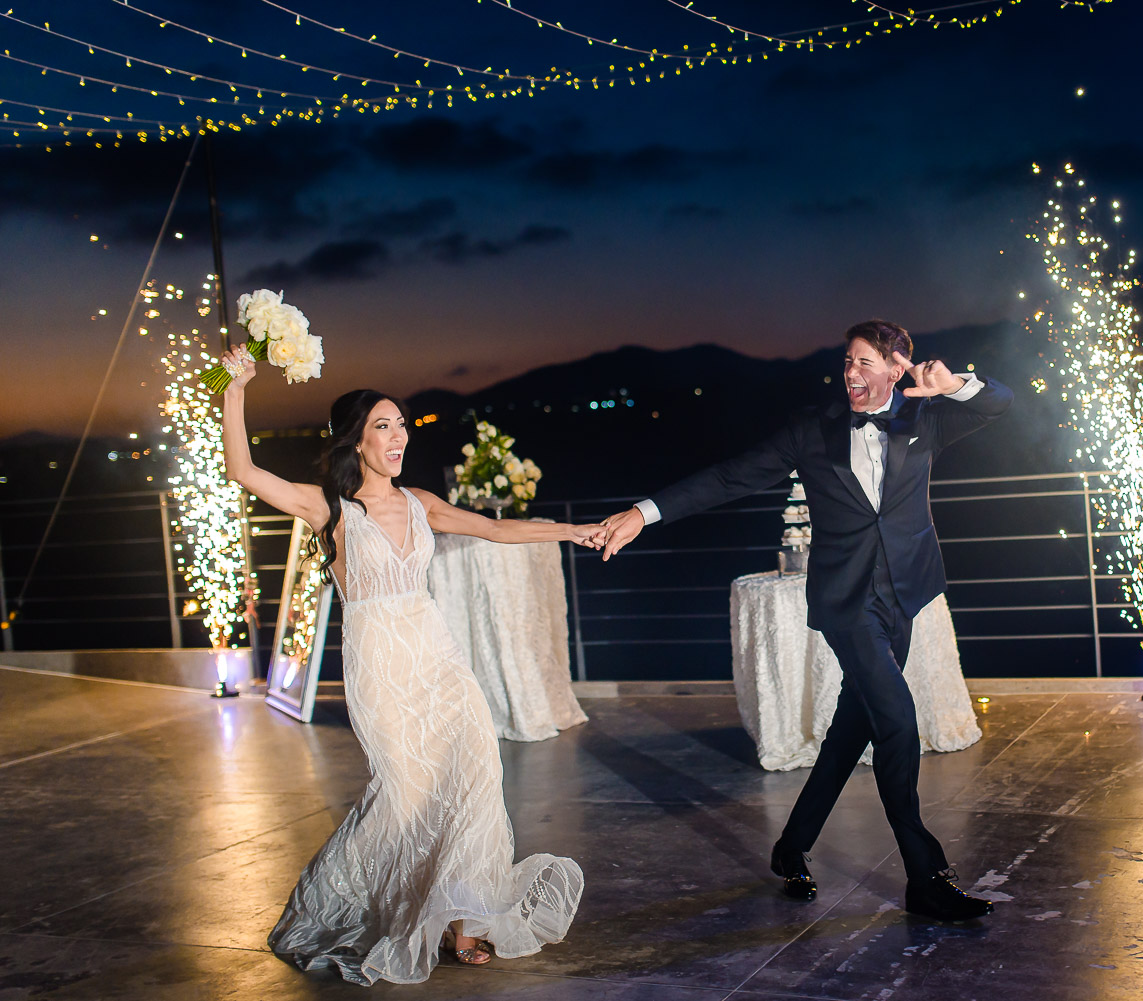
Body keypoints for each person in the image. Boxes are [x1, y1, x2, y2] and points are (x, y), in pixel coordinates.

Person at [598, 320, 1012, 921]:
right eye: (848, 361)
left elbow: (1001, 403)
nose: (851, 373)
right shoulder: (810, 430)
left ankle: (790, 849)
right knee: (897, 720)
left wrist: (953, 385)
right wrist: (644, 513)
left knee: (850, 732)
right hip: (847, 604)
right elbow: (727, 478)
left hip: (903, 595)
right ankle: (926, 878)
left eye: (865, 363)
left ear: (897, 370)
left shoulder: (925, 418)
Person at [217, 344, 593, 984]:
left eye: (401, 425)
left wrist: (576, 531)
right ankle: (371, 905)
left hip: (438, 659)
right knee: (407, 797)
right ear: (356, 443)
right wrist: (237, 386)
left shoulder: (419, 502)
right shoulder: (329, 508)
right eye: (382, 427)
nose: (397, 437)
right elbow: (242, 468)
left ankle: (465, 921)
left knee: (476, 774)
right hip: (380, 669)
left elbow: (496, 529)